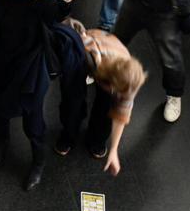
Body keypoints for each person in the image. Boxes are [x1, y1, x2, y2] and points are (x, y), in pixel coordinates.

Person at [0, 0, 76, 191]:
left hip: (31, 70)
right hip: (2, 66)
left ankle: (38, 163)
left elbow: (56, 15)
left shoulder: (40, 0)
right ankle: (1, 145)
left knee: (33, 121)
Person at [47, 19, 147, 176]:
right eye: (113, 89)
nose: (118, 94)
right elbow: (70, 30)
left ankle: (97, 140)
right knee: (72, 101)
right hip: (90, 55)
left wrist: (114, 150)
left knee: (106, 107)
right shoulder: (89, 49)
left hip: (110, 68)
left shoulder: (130, 81)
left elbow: (121, 114)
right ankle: (68, 135)